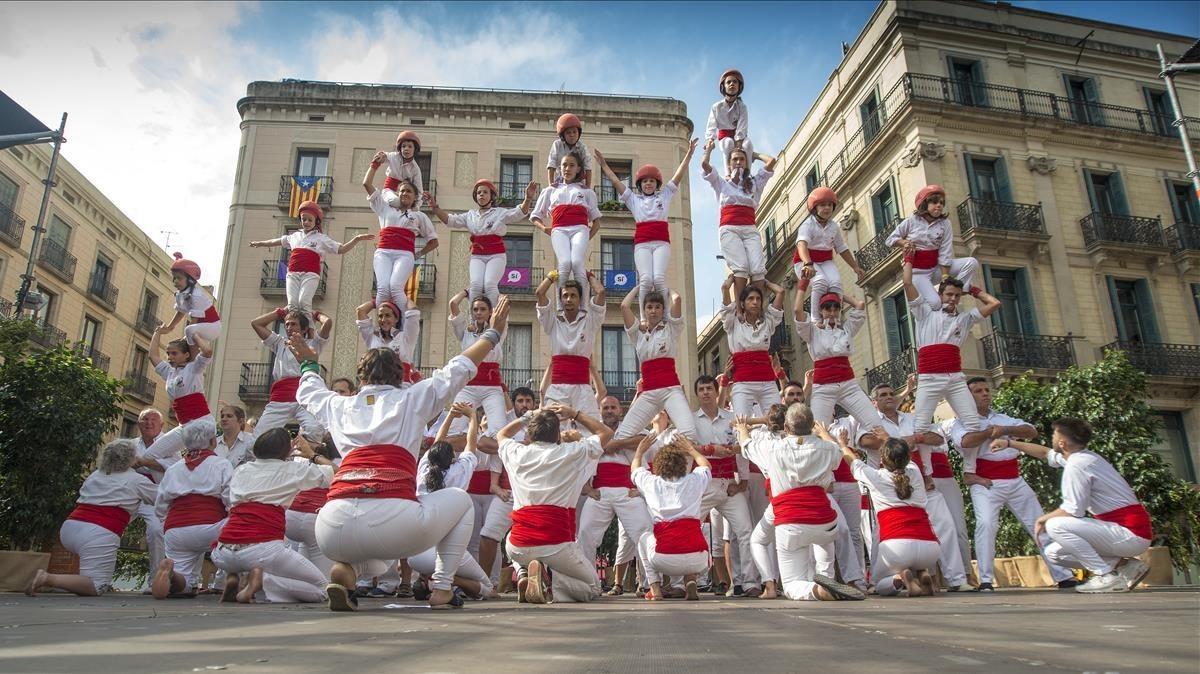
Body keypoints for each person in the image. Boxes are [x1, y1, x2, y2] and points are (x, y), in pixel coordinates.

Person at [291, 297, 511, 611]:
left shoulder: (338, 404)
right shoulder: (412, 397)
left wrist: (309, 362)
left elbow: (308, 390)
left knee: (377, 561)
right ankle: (444, 588)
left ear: (361, 379)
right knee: (461, 502)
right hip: (393, 518)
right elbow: (459, 369)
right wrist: (492, 335)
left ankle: (347, 572)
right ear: (399, 376)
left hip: (331, 527)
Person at [994, 418, 1153, 593]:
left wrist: (1042, 520)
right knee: (1054, 553)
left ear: (1062, 443)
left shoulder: (1077, 466)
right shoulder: (1084, 457)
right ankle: (1128, 567)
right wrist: (1009, 443)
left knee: (1055, 525)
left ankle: (1107, 576)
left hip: (1130, 533)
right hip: (1124, 531)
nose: (1052, 438)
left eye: (1054, 435)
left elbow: (1072, 511)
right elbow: (1046, 453)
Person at [951, 379, 1076, 591]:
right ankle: (986, 580)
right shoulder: (962, 422)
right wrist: (991, 432)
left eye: (986, 390)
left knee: (1038, 523)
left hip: (1015, 479)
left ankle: (1063, 575)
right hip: (986, 483)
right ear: (967, 397)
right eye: (978, 391)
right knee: (987, 525)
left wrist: (1005, 429)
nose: (985, 394)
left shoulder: (1002, 418)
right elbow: (965, 442)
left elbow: (1030, 431)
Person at [732, 407, 864, 601]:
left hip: (790, 518)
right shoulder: (827, 448)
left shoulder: (774, 449)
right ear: (812, 426)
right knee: (823, 548)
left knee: (792, 586)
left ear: (786, 427)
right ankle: (827, 581)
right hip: (824, 519)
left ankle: (817, 590)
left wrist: (742, 428)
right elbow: (837, 452)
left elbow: (746, 445)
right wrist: (825, 434)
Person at [859, 383, 972, 592]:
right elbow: (865, 441)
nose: (889, 397)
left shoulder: (913, 420)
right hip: (890, 486)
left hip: (922, 480)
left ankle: (956, 579)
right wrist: (898, 442)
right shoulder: (872, 422)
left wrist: (917, 437)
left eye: (891, 393)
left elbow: (938, 437)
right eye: (883, 395)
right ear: (875, 402)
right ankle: (877, 581)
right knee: (881, 532)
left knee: (946, 527)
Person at [497, 404, 612, 604]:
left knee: (511, 541)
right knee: (592, 587)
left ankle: (524, 572)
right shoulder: (571, 452)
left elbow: (502, 435)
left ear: (530, 436)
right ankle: (548, 584)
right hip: (556, 544)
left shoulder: (516, 453)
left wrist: (528, 417)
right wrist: (574, 413)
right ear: (557, 435)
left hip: (518, 544)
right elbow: (606, 433)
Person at [211, 428, 335, 604]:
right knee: (324, 588)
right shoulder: (292, 469)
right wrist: (312, 454)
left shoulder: (242, 470)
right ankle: (263, 582)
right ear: (288, 450)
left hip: (222, 553)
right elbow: (336, 473)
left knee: (267, 566)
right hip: (262, 550)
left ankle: (238, 579)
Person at [26, 440, 156, 597]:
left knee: (94, 577)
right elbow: (160, 498)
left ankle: (65, 581)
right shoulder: (136, 479)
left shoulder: (95, 475)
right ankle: (48, 578)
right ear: (132, 458)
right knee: (97, 585)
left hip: (70, 527)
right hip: (98, 532)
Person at [902, 260, 998, 453]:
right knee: (920, 428)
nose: (953, 299)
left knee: (973, 425)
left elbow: (994, 303)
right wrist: (909, 261)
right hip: (929, 378)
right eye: (949, 294)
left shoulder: (965, 318)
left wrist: (972, 289)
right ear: (939, 295)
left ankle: (970, 469)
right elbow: (907, 283)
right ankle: (928, 473)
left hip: (954, 378)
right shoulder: (925, 312)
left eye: (956, 295)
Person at [594, 141, 697, 309]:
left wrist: (688, 155)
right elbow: (615, 182)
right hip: (642, 244)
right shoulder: (633, 200)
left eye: (651, 181)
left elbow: (678, 176)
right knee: (646, 279)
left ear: (657, 183)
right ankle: (643, 317)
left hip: (661, 243)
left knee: (659, 278)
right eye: (644, 181)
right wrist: (604, 165)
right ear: (640, 185)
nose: (648, 183)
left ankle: (663, 317)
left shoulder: (664, 196)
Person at [408, 403, 496, 600]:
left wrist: (450, 417)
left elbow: (438, 440)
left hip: (414, 554)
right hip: (444, 553)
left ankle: (426, 578)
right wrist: (472, 417)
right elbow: (471, 444)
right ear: (452, 459)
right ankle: (446, 581)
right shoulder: (460, 471)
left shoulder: (423, 469)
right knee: (488, 588)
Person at [841, 429, 941, 597]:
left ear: (882, 460)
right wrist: (888, 438)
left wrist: (842, 443)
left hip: (897, 548)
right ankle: (922, 573)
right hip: (930, 549)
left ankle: (900, 577)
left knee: (879, 584)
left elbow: (853, 461)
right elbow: (902, 453)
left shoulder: (877, 476)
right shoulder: (915, 471)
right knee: (916, 559)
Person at [691, 375, 759, 597]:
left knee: (745, 530)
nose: (706, 392)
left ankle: (748, 582)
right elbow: (686, 448)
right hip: (704, 484)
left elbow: (743, 450)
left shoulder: (731, 418)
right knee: (687, 527)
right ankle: (683, 581)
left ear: (715, 391)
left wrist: (743, 482)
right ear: (697, 394)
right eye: (701, 389)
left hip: (730, 483)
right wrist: (711, 450)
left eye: (709, 388)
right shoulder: (691, 420)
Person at [151, 418, 232, 599]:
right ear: (212, 441)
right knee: (242, 534)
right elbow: (230, 498)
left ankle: (171, 574)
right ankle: (232, 578)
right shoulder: (222, 464)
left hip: (176, 529)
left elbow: (161, 504)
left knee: (185, 585)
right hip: (212, 527)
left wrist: (167, 523)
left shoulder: (174, 468)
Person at [247, 201, 372, 315]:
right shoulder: (294, 236)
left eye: (309, 220)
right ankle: (295, 331)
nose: (306, 222)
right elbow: (276, 241)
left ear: (316, 221)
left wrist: (357, 239)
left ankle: (310, 331)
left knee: (303, 302)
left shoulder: (321, 238)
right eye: (303, 219)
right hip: (293, 273)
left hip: (310, 274)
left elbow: (341, 249)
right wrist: (260, 243)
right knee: (292, 305)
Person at [427, 179, 537, 306]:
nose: (481, 195)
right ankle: (473, 322)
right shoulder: (470, 215)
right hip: (477, 255)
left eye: (485, 192)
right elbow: (450, 220)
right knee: (475, 285)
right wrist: (435, 208)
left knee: (490, 284)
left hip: (496, 255)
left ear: (492, 196)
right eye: (479, 192)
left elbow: (519, 213)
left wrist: (528, 199)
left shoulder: (499, 213)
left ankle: (494, 318)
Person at [611, 288, 697, 443]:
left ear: (663, 310)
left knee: (689, 434)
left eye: (658, 307)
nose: (653, 311)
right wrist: (640, 287)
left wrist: (666, 289)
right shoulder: (637, 334)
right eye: (649, 307)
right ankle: (642, 461)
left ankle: (664, 455)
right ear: (644, 310)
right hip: (649, 393)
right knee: (621, 436)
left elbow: (677, 299)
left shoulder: (671, 329)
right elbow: (624, 306)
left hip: (671, 390)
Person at [632, 433, 712, 601]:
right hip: (699, 560)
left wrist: (639, 452)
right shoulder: (694, 480)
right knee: (692, 536)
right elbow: (706, 465)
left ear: (659, 464)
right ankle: (691, 580)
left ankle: (655, 588)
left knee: (643, 538)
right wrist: (690, 449)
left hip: (664, 559)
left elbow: (635, 470)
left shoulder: (651, 483)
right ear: (683, 464)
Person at [478, 387, 538, 591]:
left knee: (536, 541)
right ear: (513, 403)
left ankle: (538, 582)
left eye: (528, 401)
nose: (525, 405)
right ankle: (485, 584)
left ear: (534, 403)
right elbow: (482, 443)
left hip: (534, 494)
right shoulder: (504, 423)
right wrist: (516, 445)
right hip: (508, 494)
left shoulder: (542, 423)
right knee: (487, 535)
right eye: (520, 401)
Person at [794, 291, 882, 431]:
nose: (832, 312)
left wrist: (838, 291)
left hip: (849, 385)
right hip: (823, 388)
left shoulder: (846, 330)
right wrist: (803, 286)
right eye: (828, 309)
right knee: (817, 430)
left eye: (836, 308)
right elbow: (798, 311)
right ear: (821, 311)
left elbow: (859, 305)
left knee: (876, 425)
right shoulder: (813, 332)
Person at [700, 139, 776, 300]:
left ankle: (758, 309)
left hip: (750, 229)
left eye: (742, 159)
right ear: (729, 164)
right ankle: (740, 308)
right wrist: (709, 150)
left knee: (757, 269)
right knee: (740, 268)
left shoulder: (755, 182)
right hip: (730, 228)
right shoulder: (721, 183)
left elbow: (771, 161)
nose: (739, 162)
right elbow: (705, 166)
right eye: (735, 159)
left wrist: (753, 155)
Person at [364, 151, 439, 308]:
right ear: (397, 194)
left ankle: (406, 323)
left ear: (414, 197)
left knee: (396, 288)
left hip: (404, 254)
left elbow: (433, 242)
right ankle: (381, 326)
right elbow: (367, 184)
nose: (405, 193)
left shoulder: (419, 216)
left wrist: (418, 254)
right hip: (383, 252)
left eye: (409, 191)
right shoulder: (385, 208)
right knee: (383, 289)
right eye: (402, 190)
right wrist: (375, 165)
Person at [887, 185, 979, 310]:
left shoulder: (945, 224)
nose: (939, 205)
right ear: (925, 203)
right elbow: (890, 240)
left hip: (936, 269)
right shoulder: (912, 221)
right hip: (919, 273)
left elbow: (945, 250)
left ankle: (960, 289)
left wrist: (945, 278)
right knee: (936, 304)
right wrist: (903, 242)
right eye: (935, 202)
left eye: (941, 203)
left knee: (971, 262)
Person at [250, 308, 331, 439]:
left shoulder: (313, 344)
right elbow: (256, 323)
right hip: (280, 397)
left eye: (293, 324)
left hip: (304, 396)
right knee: (258, 438)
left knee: (315, 430)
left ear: (304, 329)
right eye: (286, 324)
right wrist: (280, 312)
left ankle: (303, 456)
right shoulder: (279, 343)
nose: (288, 327)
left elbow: (327, 323)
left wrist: (314, 314)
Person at [536, 274, 606, 420]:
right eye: (565, 295)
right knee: (552, 429)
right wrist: (551, 276)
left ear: (580, 299)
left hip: (583, 389)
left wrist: (588, 275)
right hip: (557, 388)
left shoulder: (590, 321)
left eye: (573, 295)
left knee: (589, 432)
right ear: (560, 300)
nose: (568, 299)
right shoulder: (552, 322)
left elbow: (600, 293)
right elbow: (539, 293)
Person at [143, 327, 214, 470]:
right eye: (168, 353)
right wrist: (157, 332)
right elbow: (153, 356)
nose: (170, 357)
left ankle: (179, 478)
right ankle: (171, 480)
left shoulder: (194, 368)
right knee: (148, 456)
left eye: (174, 353)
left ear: (186, 354)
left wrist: (195, 336)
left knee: (200, 464)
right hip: (184, 425)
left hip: (200, 423)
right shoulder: (169, 372)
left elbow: (207, 351)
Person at [530, 150, 602, 288]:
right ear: (559, 168)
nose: (567, 168)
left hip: (580, 229)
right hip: (559, 230)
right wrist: (545, 229)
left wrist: (586, 237)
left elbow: (596, 223)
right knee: (564, 263)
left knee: (576, 262)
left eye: (571, 165)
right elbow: (535, 216)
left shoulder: (587, 191)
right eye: (564, 165)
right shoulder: (550, 190)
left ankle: (583, 307)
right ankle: (561, 307)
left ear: (578, 169)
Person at [720, 274, 786, 419]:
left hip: (767, 381)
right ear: (742, 303)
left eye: (758, 299)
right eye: (750, 299)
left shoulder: (768, 321)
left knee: (778, 420)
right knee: (741, 422)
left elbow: (780, 292)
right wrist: (732, 279)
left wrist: (763, 281)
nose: (755, 302)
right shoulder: (733, 322)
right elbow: (725, 288)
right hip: (743, 382)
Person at [448, 291, 509, 441]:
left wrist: (492, 289)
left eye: (483, 309)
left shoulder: (498, 329)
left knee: (499, 432)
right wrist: (467, 292)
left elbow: (505, 303)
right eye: (475, 309)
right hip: (467, 387)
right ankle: (456, 463)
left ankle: (496, 466)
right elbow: (453, 304)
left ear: (490, 312)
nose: (479, 312)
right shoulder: (465, 332)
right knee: (453, 430)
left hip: (492, 388)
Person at [793, 187, 864, 300]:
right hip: (805, 261)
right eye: (822, 205)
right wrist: (807, 263)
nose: (827, 208)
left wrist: (855, 267)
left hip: (825, 261)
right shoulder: (807, 225)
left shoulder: (834, 227)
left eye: (830, 205)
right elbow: (802, 245)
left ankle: (835, 317)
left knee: (836, 285)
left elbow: (842, 248)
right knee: (820, 282)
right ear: (814, 208)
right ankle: (816, 317)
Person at [286, 434, 341, 577]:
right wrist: (311, 455)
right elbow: (336, 472)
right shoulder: (338, 462)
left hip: (291, 518)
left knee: (305, 574)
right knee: (323, 582)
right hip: (314, 520)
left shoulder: (299, 461)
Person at [129, 408, 169, 586]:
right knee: (107, 526)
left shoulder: (168, 444)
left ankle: (156, 580)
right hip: (129, 496)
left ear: (161, 425)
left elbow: (172, 467)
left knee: (155, 530)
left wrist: (144, 462)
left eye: (153, 420)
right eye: (145, 419)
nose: (149, 423)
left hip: (154, 498)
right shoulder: (130, 445)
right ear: (138, 424)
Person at [161, 251, 220, 352]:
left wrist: (184, 341)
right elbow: (181, 312)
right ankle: (192, 354)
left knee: (189, 330)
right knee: (190, 331)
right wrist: (169, 327)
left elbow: (194, 320)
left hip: (212, 326)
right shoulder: (181, 294)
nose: (175, 281)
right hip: (201, 327)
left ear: (190, 280)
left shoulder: (196, 296)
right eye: (174, 278)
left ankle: (191, 356)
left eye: (179, 278)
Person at [355, 298, 422, 386]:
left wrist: (400, 296)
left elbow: (413, 311)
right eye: (380, 316)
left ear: (396, 319)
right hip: (376, 388)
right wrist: (377, 301)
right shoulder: (372, 337)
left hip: (400, 389)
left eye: (387, 315)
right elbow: (360, 311)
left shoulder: (406, 337)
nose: (383, 320)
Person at [705, 69, 754, 172]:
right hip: (724, 137)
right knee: (728, 144)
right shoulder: (716, 107)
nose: (732, 84)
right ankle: (728, 173)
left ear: (739, 86)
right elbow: (711, 125)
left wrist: (739, 143)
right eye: (728, 82)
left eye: (735, 82)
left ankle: (747, 173)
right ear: (724, 87)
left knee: (748, 144)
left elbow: (742, 125)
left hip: (739, 137)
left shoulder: (742, 107)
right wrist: (710, 140)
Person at [380, 130, 424, 208]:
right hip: (389, 191)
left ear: (415, 150)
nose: (406, 149)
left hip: (404, 195)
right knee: (396, 202)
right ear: (400, 149)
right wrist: (381, 156)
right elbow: (385, 156)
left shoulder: (415, 169)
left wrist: (416, 207)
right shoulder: (394, 156)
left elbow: (419, 191)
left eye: (410, 146)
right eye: (403, 146)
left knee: (404, 204)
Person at [546, 113, 592, 186]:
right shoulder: (557, 145)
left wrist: (588, 187)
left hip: (577, 180)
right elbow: (551, 165)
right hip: (560, 179)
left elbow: (588, 167)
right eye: (568, 133)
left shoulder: (582, 147)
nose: (572, 135)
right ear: (563, 135)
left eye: (574, 132)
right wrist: (550, 184)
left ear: (579, 133)